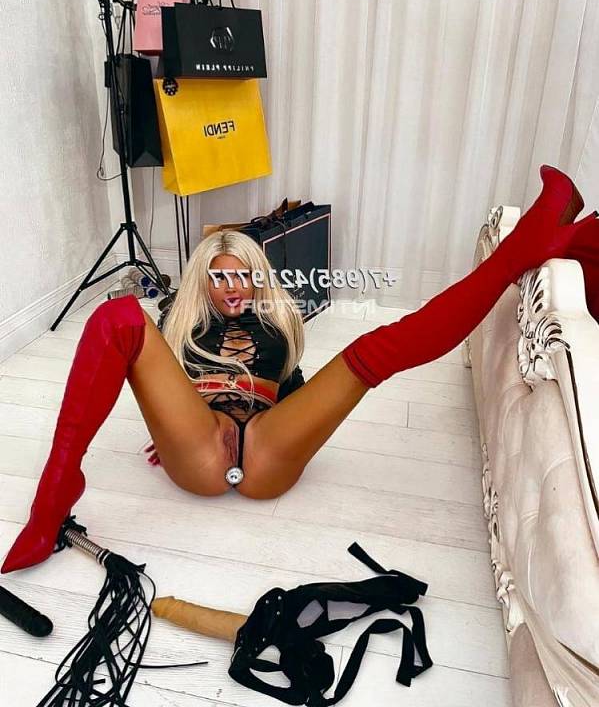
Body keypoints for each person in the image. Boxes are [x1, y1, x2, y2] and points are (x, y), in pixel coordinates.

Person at [3, 165, 598, 574]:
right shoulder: (180, 327)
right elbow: (161, 388)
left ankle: (526, 247)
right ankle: (54, 495)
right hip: (201, 448)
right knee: (115, 316)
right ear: (202, 283)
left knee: (379, 347)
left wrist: (301, 418)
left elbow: (295, 393)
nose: (232, 286)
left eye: (243, 275)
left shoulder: (276, 329)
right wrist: (169, 430)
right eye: (219, 277)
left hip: (268, 449)